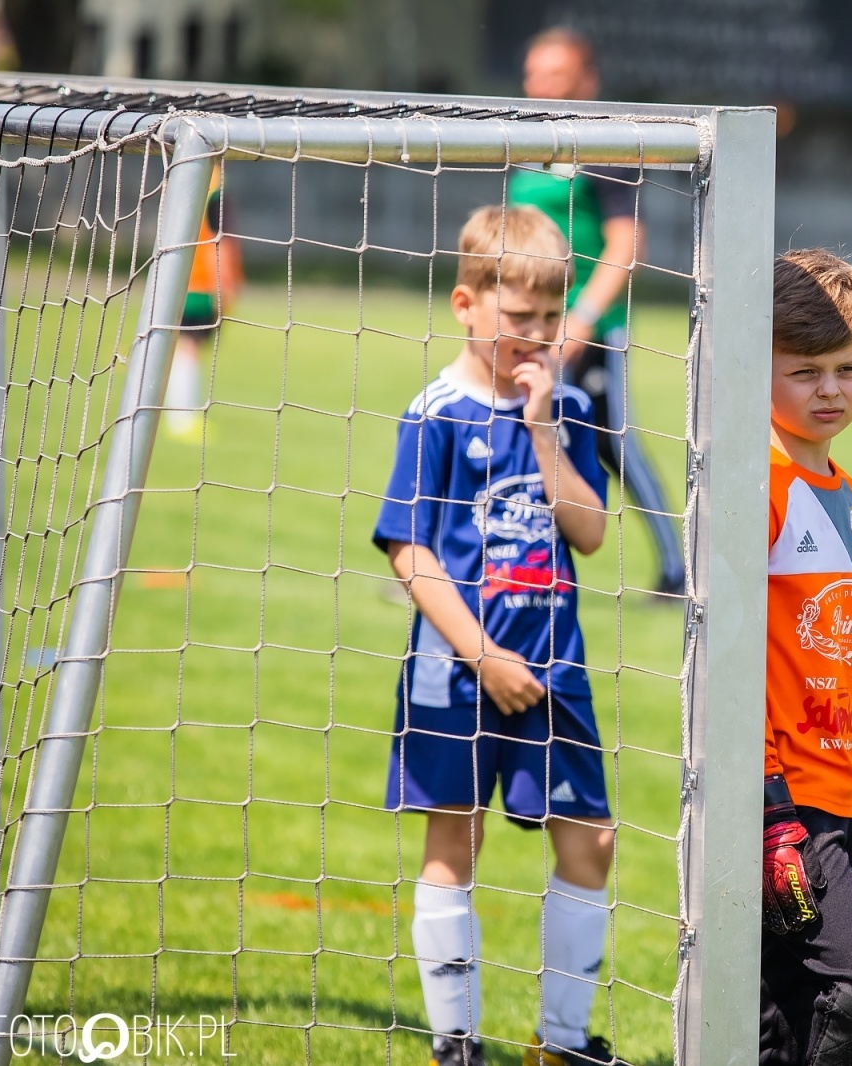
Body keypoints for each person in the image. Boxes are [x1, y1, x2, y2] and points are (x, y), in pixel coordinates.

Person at [373, 204, 627, 1066]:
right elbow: (408, 551)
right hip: (461, 668)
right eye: (520, 320)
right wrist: (483, 655)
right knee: (456, 838)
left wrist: (544, 428)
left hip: (554, 663)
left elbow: (589, 533)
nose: (536, 337)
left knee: (591, 839)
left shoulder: (565, 408)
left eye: (551, 321)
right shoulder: (436, 412)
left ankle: (563, 1042)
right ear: (467, 305)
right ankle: (455, 1041)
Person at [760, 249, 852, 1065]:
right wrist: (774, 808)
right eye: (804, 369)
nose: (829, 389)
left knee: (781, 1024)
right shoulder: (761, 485)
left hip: (830, 798)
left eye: (848, 368)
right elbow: (736, 659)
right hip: (774, 803)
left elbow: (834, 662)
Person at [509, 26, 686, 597]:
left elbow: (626, 243)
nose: (542, 87)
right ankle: (471, 562)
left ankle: (677, 569)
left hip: (585, 330)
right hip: (521, 322)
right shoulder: (518, 143)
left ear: (587, 81)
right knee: (499, 429)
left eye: (556, 75)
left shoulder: (603, 142)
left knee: (614, 443)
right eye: (535, 74)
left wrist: (581, 318)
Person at [163, 162, 242, 441]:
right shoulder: (214, 193)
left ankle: (179, 416)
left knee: (180, 346)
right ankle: (181, 419)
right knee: (188, 346)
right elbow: (218, 241)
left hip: (176, 280)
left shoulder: (182, 180)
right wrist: (225, 284)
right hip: (198, 284)